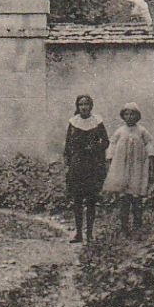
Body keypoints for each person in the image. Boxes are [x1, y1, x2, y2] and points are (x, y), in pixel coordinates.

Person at [63, 94, 109, 243]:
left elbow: (106, 141)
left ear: (91, 106)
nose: (84, 107)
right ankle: (78, 233)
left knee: (91, 200)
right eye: (81, 104)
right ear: (77, 106)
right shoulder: (73, 122)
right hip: (77, 165)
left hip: (93, 165)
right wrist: (68, 163)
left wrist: (95, 147)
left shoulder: (97, 121)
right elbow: (68, 144)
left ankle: (89, 234)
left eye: (86, 104)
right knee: (77, 199)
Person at [104, 103, 154, 233]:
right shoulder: (120, 131)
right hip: (122, 167)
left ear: (137, 116)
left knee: (136, 197)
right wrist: (110, 157)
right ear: (123, 116)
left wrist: (150, 156)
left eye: (132, 114)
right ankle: (124, 226)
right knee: (124, 198)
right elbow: (113, 143)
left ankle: (137, 225)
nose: (129, 117)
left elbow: (149, 143)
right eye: (126, 114)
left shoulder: (142, 131)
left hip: (136, 167)